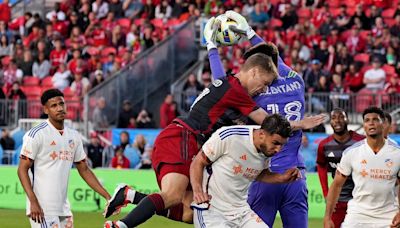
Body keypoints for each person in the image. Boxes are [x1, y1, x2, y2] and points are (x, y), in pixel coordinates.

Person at [103, 15, 324, 228]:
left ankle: (129, 195)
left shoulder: (233, 86)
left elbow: (271, 63)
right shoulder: (237, 90)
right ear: (255, 72)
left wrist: (214, 45)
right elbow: (268, 123)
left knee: (191, 212)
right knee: (173, 196)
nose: (264, 89)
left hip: (194, 140)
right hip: (184, 135)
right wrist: (300, 124)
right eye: (264, 83)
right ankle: (121, 225)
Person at [217, 11, 315, 228]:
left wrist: (212, 50)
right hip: (295, 174)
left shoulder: (252, 92)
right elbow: (273, 58)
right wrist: (250, 32)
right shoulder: (296, 81)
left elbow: (219, 84)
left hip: (265, 174)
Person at [17, 89, 111, 228]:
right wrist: (33, 202)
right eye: (54, 106)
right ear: (46, 109)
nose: (60, 108)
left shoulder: (74, 136)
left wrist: (108, 197)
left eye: (62, 104)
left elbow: (84, 169)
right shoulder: (36, 134)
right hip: (42, 208)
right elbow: (22, 170)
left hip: (64, 208)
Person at [190, 115, 300, 228]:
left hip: (241, 212)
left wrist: (281, 178)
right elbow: (198, 162)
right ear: (262, 134)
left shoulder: (266, 149)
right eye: (276, 143)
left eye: (282, 145)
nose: (278, 149)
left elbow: (260, 174)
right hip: (212, 210)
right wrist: (197, 191)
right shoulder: (230, 136)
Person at [324, 107, 400, 228]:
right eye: (367, 120)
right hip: (357, 214)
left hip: (388, 216)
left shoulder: (397, 153)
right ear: (363, 125)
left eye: (375, 119)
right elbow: (336, 185)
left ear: (383, 124)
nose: (371, 123)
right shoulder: (352, 152)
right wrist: (327, 217)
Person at [316, 108, 365, 228]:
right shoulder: (324, 145)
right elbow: (321, 166)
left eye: (341, 117)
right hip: (338, 200)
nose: (337, 120)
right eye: (333, 118)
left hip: (360, 199)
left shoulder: (362, 142)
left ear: (347, 120)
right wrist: (326, 192)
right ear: (330, 122)